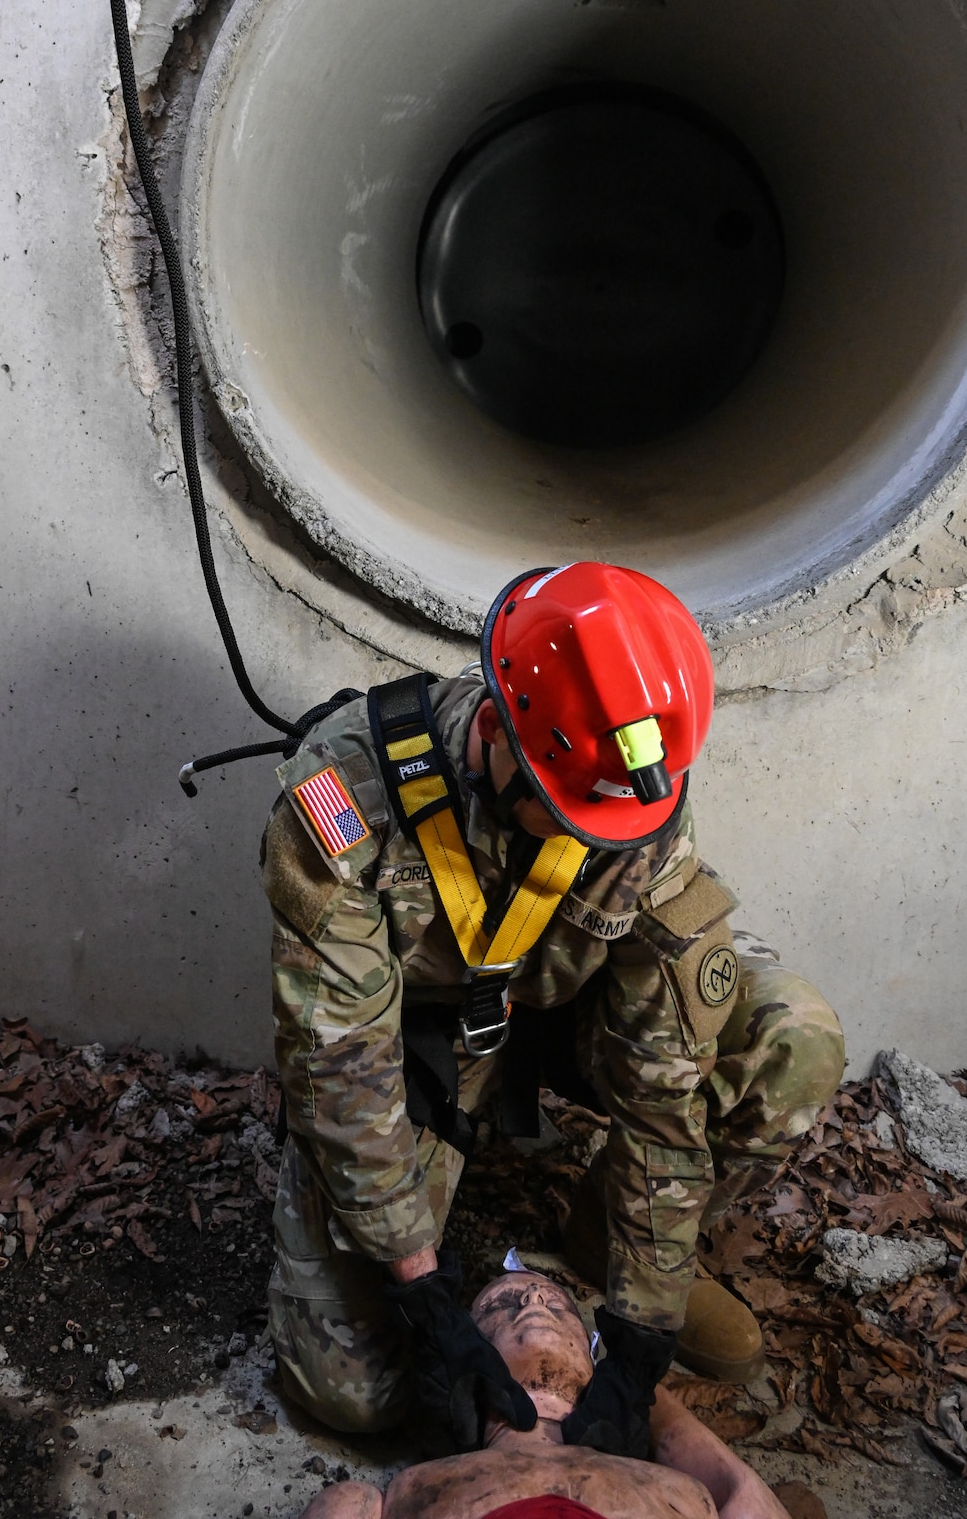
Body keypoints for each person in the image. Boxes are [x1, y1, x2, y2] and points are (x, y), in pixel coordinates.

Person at [262, 561, 844, 1449]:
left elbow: (663, 1074)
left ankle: (600, 1239)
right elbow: (339, 1064)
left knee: (792, 1037)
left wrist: (643, 1325)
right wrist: (420, 1287)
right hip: (426, 1035)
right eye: (563, 812)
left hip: (579, 1003)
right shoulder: (346, 795)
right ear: (495, 730)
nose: (592, 840)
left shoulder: (635, 795)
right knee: (353, 1396)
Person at [297, 1270, 800, 1519]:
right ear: (464, 1362)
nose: (534, 1298)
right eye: (500, 1306)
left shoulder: (412, 1489)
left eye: (559, 1308)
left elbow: (746, 1500)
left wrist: (642, 1393)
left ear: (592, 1358)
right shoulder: (415, 1488)